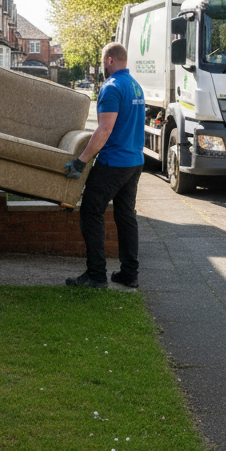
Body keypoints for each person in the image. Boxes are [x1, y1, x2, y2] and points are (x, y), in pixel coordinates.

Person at [61, 42, 145, 288]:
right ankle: (130, 274)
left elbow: (105, 129)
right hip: (134, 162)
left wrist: (81, 161)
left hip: (114, 162)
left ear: (109, 60)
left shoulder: (111, 87)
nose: (101, 66)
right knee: (126, 216)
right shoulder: (135, 87)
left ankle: (96, 275)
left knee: (91, 211)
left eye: (102, 61)